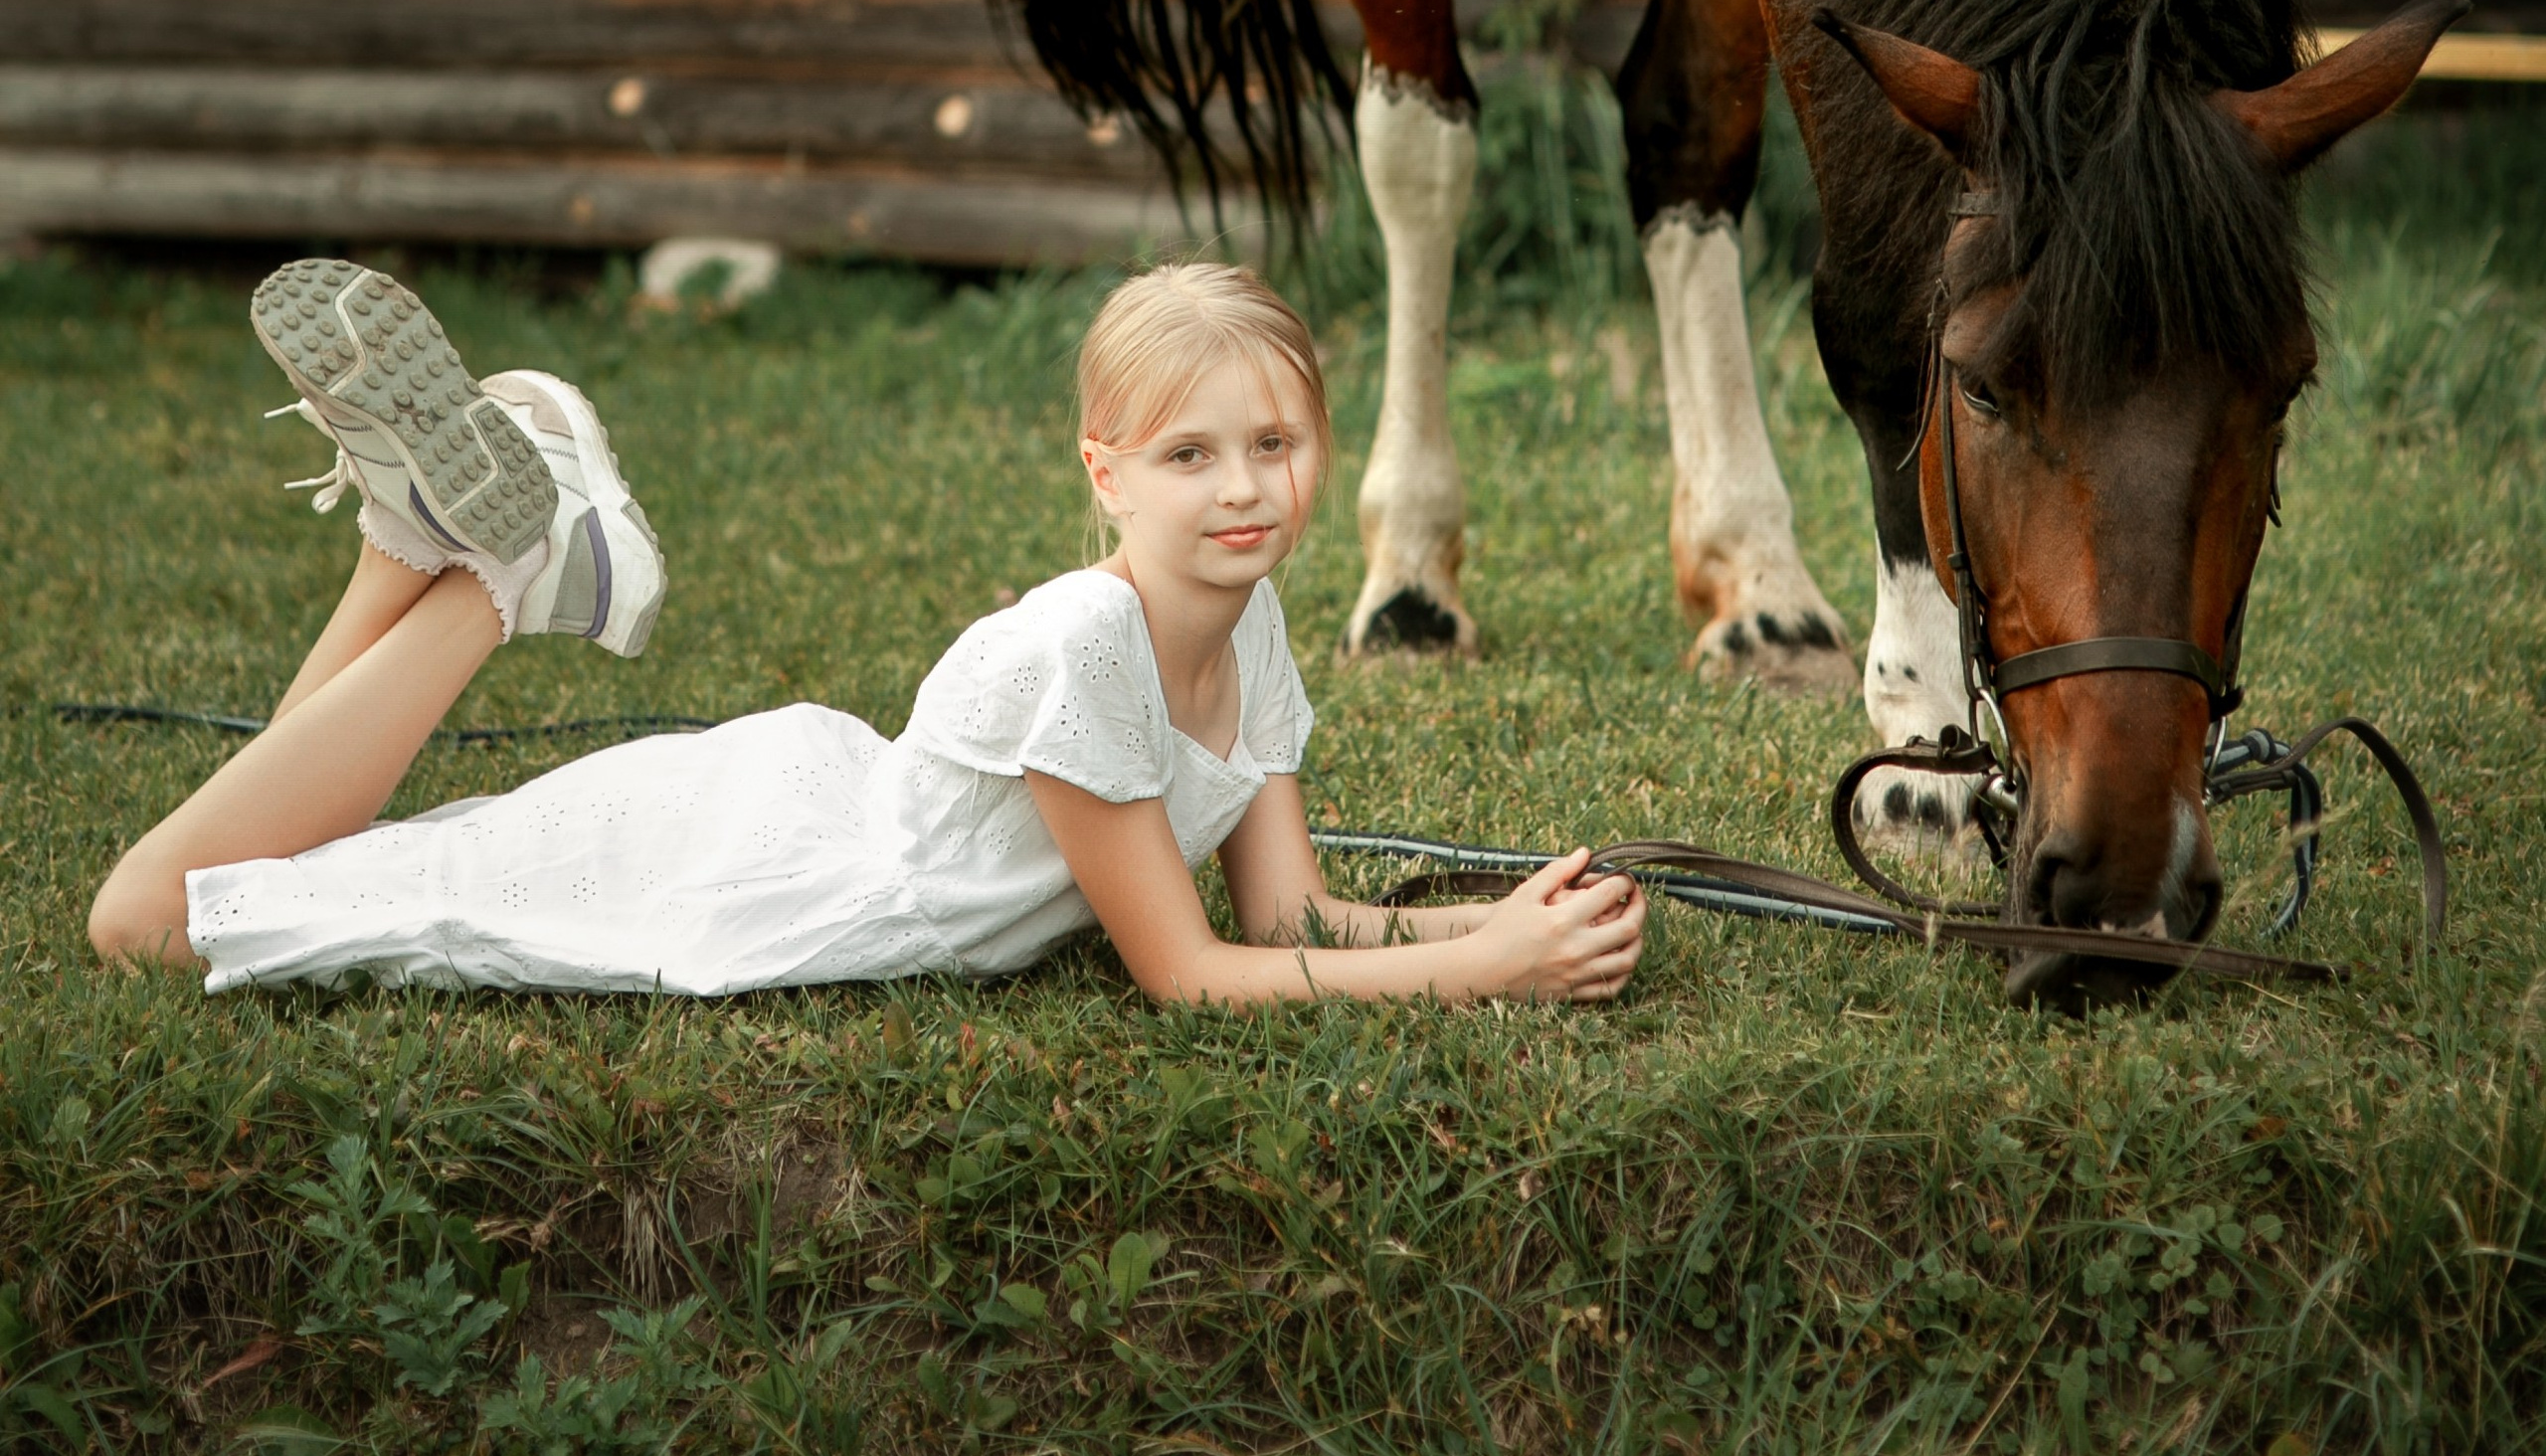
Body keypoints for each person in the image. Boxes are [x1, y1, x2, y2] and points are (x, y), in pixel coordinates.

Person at [89, 255, 1648, 1010]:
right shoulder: (1085, 652)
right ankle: (510, 577)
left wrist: (1505, 919)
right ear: (1104, 473)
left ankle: (408, 545)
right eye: (1190, 453)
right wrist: (1488, 978)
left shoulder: (1254, 624)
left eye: (1275, 445)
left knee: (281, 872)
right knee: (146, 923)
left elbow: (1291, 917)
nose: (1244, 489)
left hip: (808, 796)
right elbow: (1185, 974)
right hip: (770, 871)